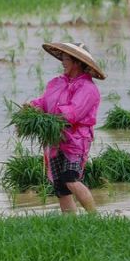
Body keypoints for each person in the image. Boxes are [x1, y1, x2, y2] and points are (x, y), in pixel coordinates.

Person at [30, 43, 104, 214]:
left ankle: (95, 216)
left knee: (70, 178)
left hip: (76, 140)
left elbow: (73, 114)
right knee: (60, 185)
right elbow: (44, 102)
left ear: (77, 62)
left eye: (66, 58)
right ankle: (69, 222)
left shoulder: (88, 88)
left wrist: (48, 119)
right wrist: (33, 106)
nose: (62, 61)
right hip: (56, 140)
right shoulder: (58, 83)